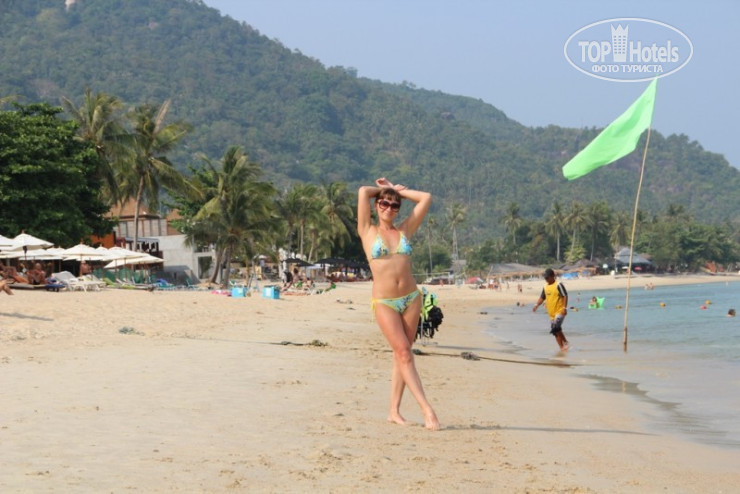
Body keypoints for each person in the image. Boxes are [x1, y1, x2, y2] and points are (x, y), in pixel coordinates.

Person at [357, 177, 440, 430]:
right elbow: (363, 191)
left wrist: (398, 190)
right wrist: (385, 190)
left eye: (394, 205)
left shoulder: (404, 231)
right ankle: (427, 410)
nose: (389, 208)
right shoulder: (367, 231)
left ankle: (394, 411)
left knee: (401, 355)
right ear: (376, 205)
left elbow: (426, 198)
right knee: (404, 352)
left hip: (411, 298)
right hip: (385, 302)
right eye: (384, 203)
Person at [532, 268, 570, 351]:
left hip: (560, 311)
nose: (546, 279)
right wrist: (536, 305)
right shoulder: (545, 287)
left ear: (553, 276)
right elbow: (542, 297)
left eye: (547, 277)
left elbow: (565, 296)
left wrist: (564, 308)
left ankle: (565, 343)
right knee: (555, 331)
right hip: (551, 313)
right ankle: (562, 347)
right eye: (545, 278)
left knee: (555, 328)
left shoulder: (558, 285)